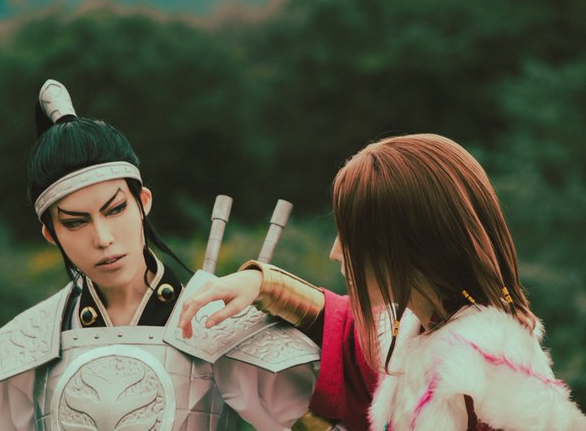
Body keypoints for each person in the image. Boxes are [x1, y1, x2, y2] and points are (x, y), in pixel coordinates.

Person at [0, 79, 318, 430]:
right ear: (50, 234)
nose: (103, 238)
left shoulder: (220, 323)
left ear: (143, 201)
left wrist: (271, 286)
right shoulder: (27, 346)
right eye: (76, 223)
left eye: (115, 209)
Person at [179, 133, 586, 430]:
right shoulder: (421, 326)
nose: (335, 252)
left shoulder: (485, 373)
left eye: (349, 236)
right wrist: (264, 284)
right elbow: (349, 331)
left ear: (399, 246)